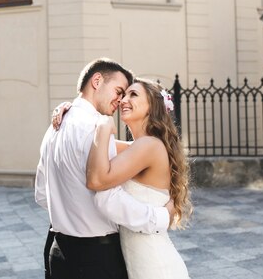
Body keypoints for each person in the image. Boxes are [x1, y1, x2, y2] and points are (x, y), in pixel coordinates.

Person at [35, 58, 174, 279]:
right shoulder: (98, 128)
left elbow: (42, 195)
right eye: (119, 91)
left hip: (57, 252)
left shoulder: (54, 128)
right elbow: (107, 198)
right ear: (97, 81)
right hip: (96, 257)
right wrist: (160, 218)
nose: (120, 100)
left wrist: (70, 213)